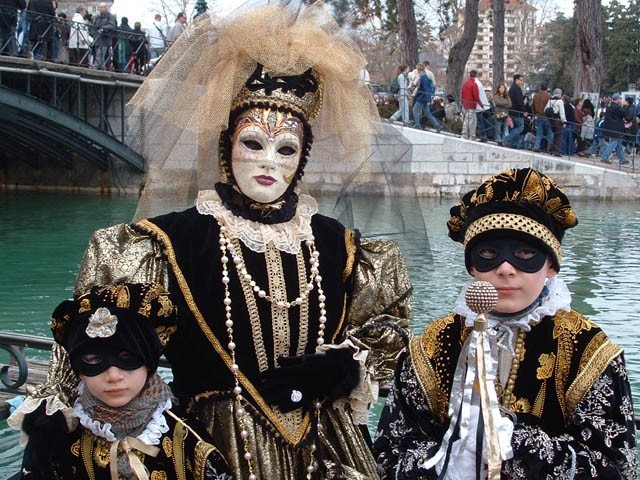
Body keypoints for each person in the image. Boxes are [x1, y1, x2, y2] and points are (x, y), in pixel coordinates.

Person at [17, 3, 413, 479]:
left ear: (302, 158)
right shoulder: (165, 242)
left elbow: (386, 332)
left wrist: (347, 367)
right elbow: (95, 330)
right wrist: (53, 415)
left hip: (328, 446)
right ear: (227, 146)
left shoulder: (342, 246)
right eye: (253, 143)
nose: (269, 162)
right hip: (215, 448)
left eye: (286, 149)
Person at [374, 167, 637, 479]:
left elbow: (617, 465)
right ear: (472, 266)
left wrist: (517, 446)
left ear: (551, 265)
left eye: (525, 252)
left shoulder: (588, 350)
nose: (506, 269)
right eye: (489, 253)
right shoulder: (431, 346)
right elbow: (388, 454)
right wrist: (448, 457)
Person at [10, 282, 232, 480]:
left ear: (148, 363)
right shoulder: (57, 437)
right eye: (93, 360)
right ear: (79, 370)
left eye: (127, 358)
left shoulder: (186, 440)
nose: (114, 376)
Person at [601, 93, 630, 165]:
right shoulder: (617, 107)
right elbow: (625, 113)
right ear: (617, 100)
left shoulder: (610, 107)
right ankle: (604, 157)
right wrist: (625, 106)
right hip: (616, 128)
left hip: (612, 128)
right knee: (613, 143)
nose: (621, 100)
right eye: (620, 99)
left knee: (618, 144)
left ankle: (622, 159)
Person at [412, 63, 441, 132]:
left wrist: (428, 100)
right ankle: (437, 126)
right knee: (427, 113)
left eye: (417, 69)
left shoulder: (423, 77)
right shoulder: (425, 77)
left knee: (415, 110)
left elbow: (426, 89)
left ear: (419, 70)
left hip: (422, 98)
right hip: (425, 98)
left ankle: (417, 125)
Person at [91, 2, 116, 70]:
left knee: (100, 54)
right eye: (99, 7)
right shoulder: (98, 17)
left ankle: (94, 68)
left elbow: (112, 26)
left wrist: (103, 28)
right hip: (97, 39)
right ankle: (103, 70)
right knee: (100, 56)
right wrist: (93, 33)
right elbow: (94, 26)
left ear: (105, 8)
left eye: (101, 7)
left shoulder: (110, 16)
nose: (100, 9)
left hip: (105, 39)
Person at [505, 73, 526, 148]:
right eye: (521, 80)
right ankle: (507, 140)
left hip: (511, 111)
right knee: (520, 128)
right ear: (516, 80)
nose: (522, 82)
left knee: (514, 128)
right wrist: (524, 110)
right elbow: (519, 101)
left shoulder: (511, 88)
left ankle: (514, 144)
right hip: (517, 112)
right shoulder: (517, 89)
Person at [532, 83, 552, 152]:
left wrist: (534, 113)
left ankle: (536, 146)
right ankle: (550, 147)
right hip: (546, 116)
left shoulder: (536, 96)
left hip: (538, 115)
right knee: (550, 133)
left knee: (539, 133)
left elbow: (533, 106)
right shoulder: (549, 97)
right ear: (546, 88)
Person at [460, 69, 480, 140]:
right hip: (471, 105)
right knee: (471, 120)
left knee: (469, 119)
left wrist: (462, 103)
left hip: (465, 104)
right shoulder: (474, 85)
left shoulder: (465, 84)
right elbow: (476, 96)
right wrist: (481, 105)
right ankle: (469, 135)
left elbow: (462, 94)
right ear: (476, 76)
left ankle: (468, 135)